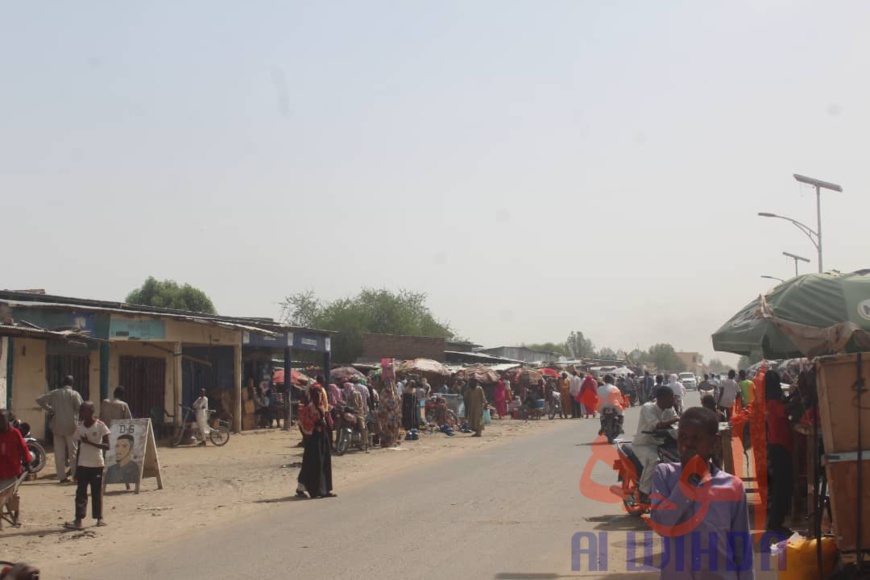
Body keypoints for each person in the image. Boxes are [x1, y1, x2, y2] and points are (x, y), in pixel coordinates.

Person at [650, 407, 754, 578]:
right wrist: (687, 481)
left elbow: (742, 546)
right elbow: (662, 525)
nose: (688, 444)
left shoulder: (733, 487)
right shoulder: (665, 474)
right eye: (683, 437)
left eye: (696, 439)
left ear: (714, 443)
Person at [65, 401, 110, 529]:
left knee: (96, 492)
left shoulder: (100, 426)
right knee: (80, 492)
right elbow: (79, 447)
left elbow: (107, 446)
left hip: (96, 463)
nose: (81, 413)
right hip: (83, 464)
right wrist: (76, 468)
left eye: (83, 410)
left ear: (91, 411)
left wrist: (89, 442)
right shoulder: (80, 427)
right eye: (81, 410)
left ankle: (99, 517)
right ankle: (78, 519)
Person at [633, 387, 680, 504]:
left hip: (662, 444)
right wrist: (677, 419)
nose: (673, 401)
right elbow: (657, 425)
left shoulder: (670, 410)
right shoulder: (648, 407)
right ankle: (643, 492)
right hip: (644, 444)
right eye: (671, 399)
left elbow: (677, 427)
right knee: (654, 461)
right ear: (662, 399)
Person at [36, 375, 83, 482]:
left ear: (63, 382)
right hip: (71, 426)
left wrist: (50, 409)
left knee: (59, 452)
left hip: (57, 425)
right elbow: (81, 408)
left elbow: (39, 399)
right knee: (73, 453)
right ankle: (75, 476)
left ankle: (62, 477)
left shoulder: (55, 393)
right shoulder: (74, 394)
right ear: (72, 383)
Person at [765, 370, 793, 537]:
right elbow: (786, 410)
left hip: (778, 446)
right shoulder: (773, 404)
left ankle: (777, 521)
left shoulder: (771, 402)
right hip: (780, 447)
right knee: (782, 488)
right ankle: (775, 523)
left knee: (782, 487)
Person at [296, 387, 335, 499]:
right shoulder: (308, 409)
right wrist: (314, 426)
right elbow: (304, 423)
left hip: (323, 438)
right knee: (312, 465)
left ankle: (325, 489)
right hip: (313, 440)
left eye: (319, 394)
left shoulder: (322, 407)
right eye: (316, 395)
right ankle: (310, 489)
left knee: (324, 463)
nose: (318, 397)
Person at [0, 409, 32, 513]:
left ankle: (16, 513)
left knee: (13, 493)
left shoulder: (15, 433)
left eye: (2, 420)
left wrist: (27, 462)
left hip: (12, 471)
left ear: (7, 421)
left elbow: (23, 448)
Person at [378, 380, 401, 447]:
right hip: (386, 413)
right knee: (386, 427)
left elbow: (398, 401)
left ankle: (393, 441)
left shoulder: (395, 392)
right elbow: (383, 402)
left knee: (394, 427)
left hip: (394, 413)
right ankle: (386, 442)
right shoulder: (384, 392)